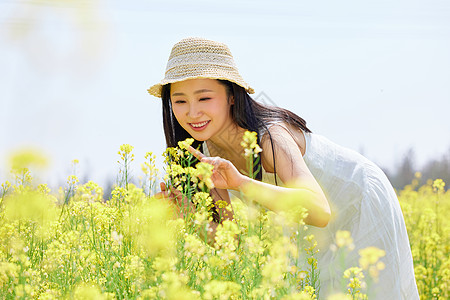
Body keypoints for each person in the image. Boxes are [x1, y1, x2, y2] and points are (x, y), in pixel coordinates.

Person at [149, 37, 419, 299]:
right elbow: (232, 245)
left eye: (204, 98)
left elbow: (319, 210)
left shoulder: (271, 137)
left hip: (357, 201)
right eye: (180, 101)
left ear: (232, 96)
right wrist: (191, 216)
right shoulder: (203, 157)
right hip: (306, 233)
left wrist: (240, 182)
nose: (192, 113)